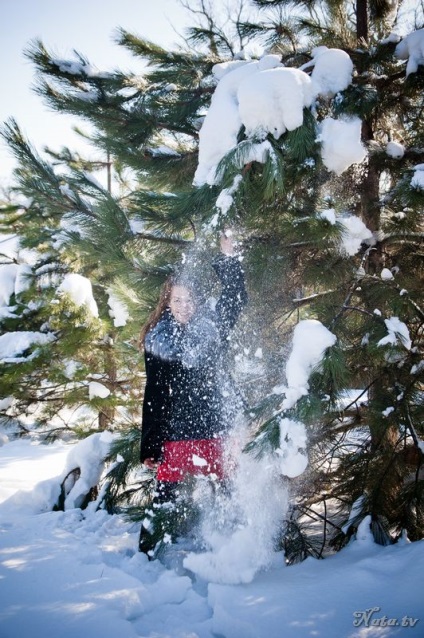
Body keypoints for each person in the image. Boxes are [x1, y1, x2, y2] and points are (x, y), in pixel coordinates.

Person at [138, 233, 247, 555]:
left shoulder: (213, 326)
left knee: (226, 492)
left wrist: (228, 258)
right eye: (177, 301)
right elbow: (154, 394)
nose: (184, 307)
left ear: (197, 301)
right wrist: (151, 444)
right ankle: (146, 554)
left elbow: (235, 298)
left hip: (215, 426)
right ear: (167, 304)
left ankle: (234, 548)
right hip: (176, 433)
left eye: (189, 300)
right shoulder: (158, 341)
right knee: (164, 497)